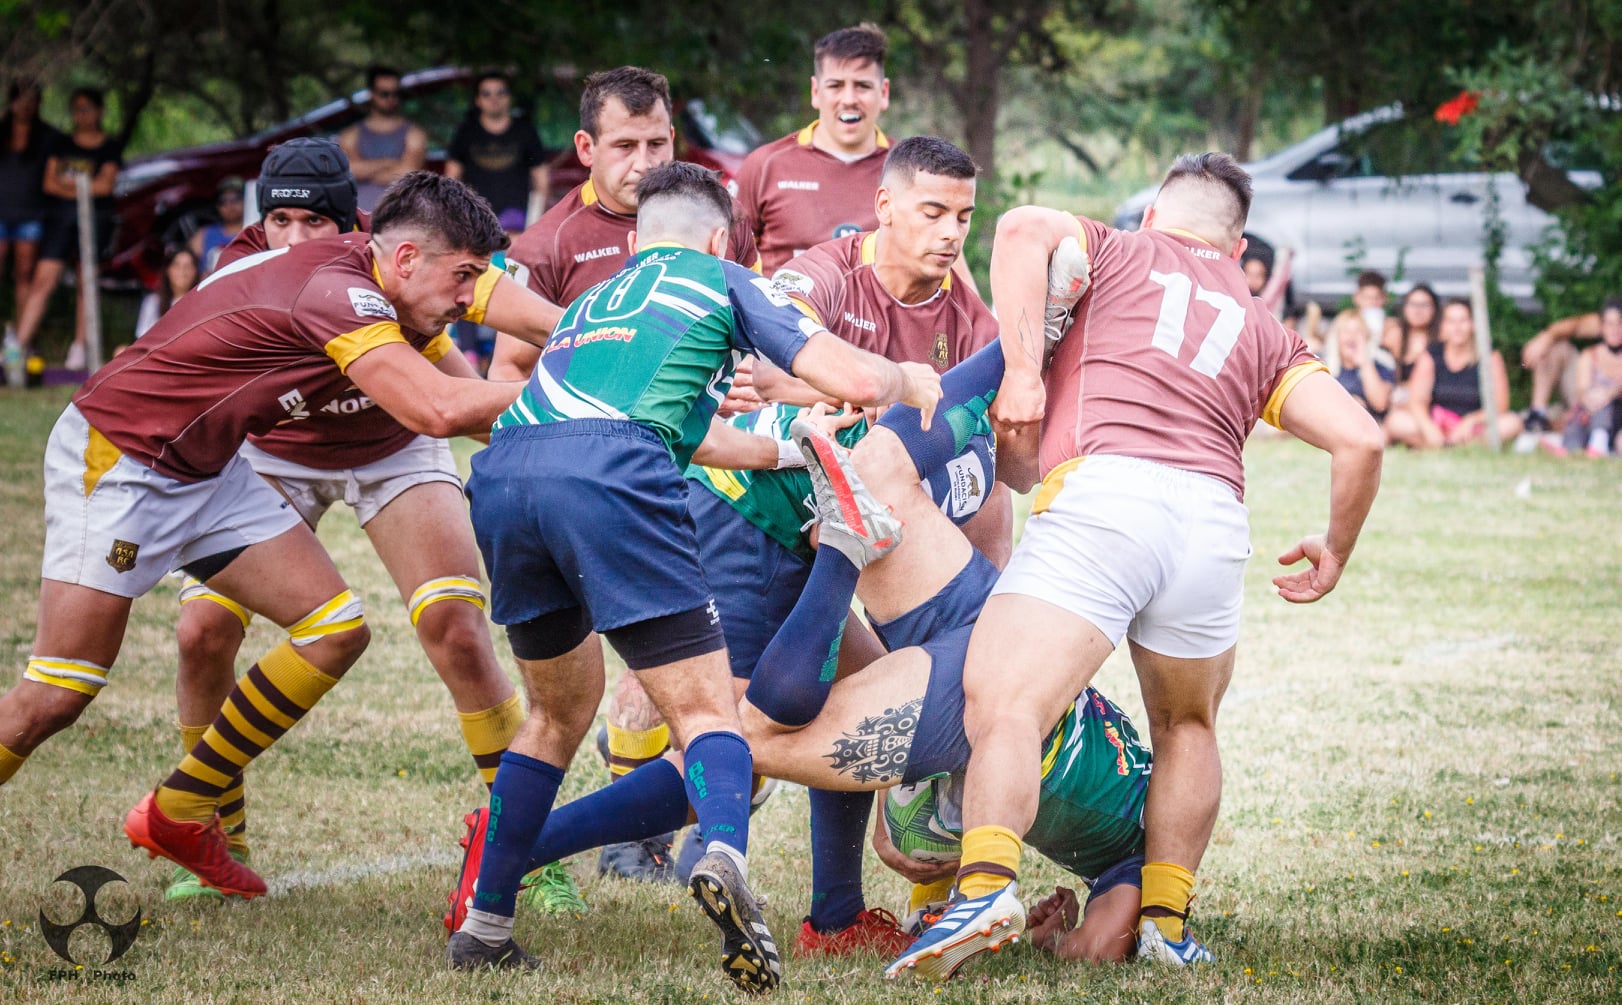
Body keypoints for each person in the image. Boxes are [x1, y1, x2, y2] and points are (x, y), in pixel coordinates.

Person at [442, 161, 942, 991]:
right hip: (611, 477)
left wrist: (790, 447)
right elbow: (853, 377)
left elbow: (700, 434)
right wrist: (904, 378)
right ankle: (724, 855)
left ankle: (485, 926)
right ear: (721, 238)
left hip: (506, 476)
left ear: (637, 240)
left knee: (556, 713)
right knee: (712, 712)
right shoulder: (726, 276)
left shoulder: (596, 303)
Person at [886, 152, 1385, 980]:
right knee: (1188, 726)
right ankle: (1167, 924)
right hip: (1214, 519)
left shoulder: (1119, 250)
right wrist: (1336, 548)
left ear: (1156, 214)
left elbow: (1018, 228)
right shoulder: (1266, 327)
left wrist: (1018, 373)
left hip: (1108, 494)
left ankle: (982, 890)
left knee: (1005, 700)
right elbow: (1361, 439)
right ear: (1236, 246)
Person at [0, 172, 537, 904]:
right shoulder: (338, 292)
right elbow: (439, 408)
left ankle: (184, 807)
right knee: (57, 695)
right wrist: (586, 395)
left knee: (336, 629)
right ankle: (194, 810)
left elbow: (495, 306)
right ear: (407, 259)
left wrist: (609, 340)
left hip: (205, 468)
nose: (469, 298)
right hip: (123, 458)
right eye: (463, 277)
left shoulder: (385, 265)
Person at [143, 140, 524, 904]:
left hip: (394, 442)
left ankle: (525, 846)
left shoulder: (390, 254)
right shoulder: (244, 266)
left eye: (310, 219)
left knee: (456, 624)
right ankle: (216, 830)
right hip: (274, 454)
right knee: (201, 632)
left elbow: (452, 352)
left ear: (346, 219)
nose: (294, 237)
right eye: (278, 218)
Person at [488, 65, 762, 884]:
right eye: (624, 144)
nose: (643, 160)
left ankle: (534, 877)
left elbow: (740, 336)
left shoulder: (707, 221)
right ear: (585, 149)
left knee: (668, 683)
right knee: (682, 693)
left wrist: (741, 388)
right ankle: (646, 840)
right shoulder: (548, 245)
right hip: (602, 479)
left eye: (658, 142)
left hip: (691, 478)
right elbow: (508, 374)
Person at [733, 23, 893, 275]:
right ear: (816, 91)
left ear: (883, 92)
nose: (849, 99)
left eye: (862, 86)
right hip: (781, 314)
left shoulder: (909, 172)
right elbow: (726, 263)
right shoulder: (765, 165)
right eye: (835, 86)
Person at [15, 86, 122, 369]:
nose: (81, 115)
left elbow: (106, 185)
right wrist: (85, 188)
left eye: (87, 108)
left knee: (86, 281)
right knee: (42, 279)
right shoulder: (61, 143)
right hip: (60, 221)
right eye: (76, 109)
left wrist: (71, 186)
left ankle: (80, 348)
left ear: (99, 111)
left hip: (95, 221)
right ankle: (16, 349)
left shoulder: (109, 147)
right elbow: (50, 183)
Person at [1385, 298, 1521, 449]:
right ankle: (1448, 445)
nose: (1457, 328)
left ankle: (1449, 446)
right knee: (1396, 421)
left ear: (1473, 324)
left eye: (1463, 321)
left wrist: (1471, 420)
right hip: (1436, 424)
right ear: (1443, 326)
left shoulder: (1490, 357)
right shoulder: (1431, 355)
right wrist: (1429, 429)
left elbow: (1500, 405)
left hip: (1473, 428)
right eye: (1451, 321)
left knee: (1511, 423)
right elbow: (1417, 401)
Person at [445, 72, 549, 234]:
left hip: (516, 220)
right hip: (475, 220)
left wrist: (534, 225)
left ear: (510, 97)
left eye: (501, 92)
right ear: (477, 100)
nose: (494, 98)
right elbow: (451, 179)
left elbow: (541, 180)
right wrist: (455, 221)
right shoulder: (466, 132)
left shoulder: (525, 131)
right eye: (487, 94)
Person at [1, 81, 56, 340]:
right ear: (11, 102)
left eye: (31, 99)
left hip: (30, 214)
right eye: (21, 99)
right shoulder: (2, 132)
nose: (25, 105)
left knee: (24, 276)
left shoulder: (47, 137)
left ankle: (18, 341)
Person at [1519, 299, 1613, 446]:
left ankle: (1569, 425)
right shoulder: (1613, 318)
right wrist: (1547, 336)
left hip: (1613, 399)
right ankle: (1538, 415)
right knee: (1557, 346)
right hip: (1587, 392)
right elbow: (1577, 325)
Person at [339, 67, 428, 213]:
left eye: (396, 94)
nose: (391, 99)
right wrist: (389, 163)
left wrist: (366, 170)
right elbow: (349, 172)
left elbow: (409, 174)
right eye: (384, 94)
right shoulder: (351, 134)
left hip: (401, 215)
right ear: (371, 94)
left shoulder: (414, 133)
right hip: (358, 218)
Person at [1552, 298, 1622, 457]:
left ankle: (1599, 443)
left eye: (1619, 323)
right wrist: (1592, 398)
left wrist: (1612, 392)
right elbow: (1581, 391)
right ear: (1602, 326)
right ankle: (1573, 447)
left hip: (1617, 416)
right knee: (1586, 408)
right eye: (1609, 324)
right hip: (1591, 412)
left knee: (1606, 400)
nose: (1615, 329)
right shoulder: (1590, 355)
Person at [1326, 309, 1393, 420]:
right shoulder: (1322, 366)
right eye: (1346, 331)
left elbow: (1380, 403)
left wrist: (1364, 363)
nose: (1352, 336)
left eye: (1358, 332)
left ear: (1366, 337)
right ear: (1336, 337)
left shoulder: (1382, 367)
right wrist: (1347, 403)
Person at [134, 245, 199, 338]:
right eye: (177, 265)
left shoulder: (202, 302)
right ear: (168, 270)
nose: (182, 272)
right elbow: (142, 335)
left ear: (195, 271)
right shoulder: (153, 301)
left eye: (187, 266)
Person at [188, 176, 246, 273]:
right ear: (218, 206)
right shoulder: (204, 234)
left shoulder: (255, 233)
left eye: (236, 199)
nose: (230, 205)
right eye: (223, 201)